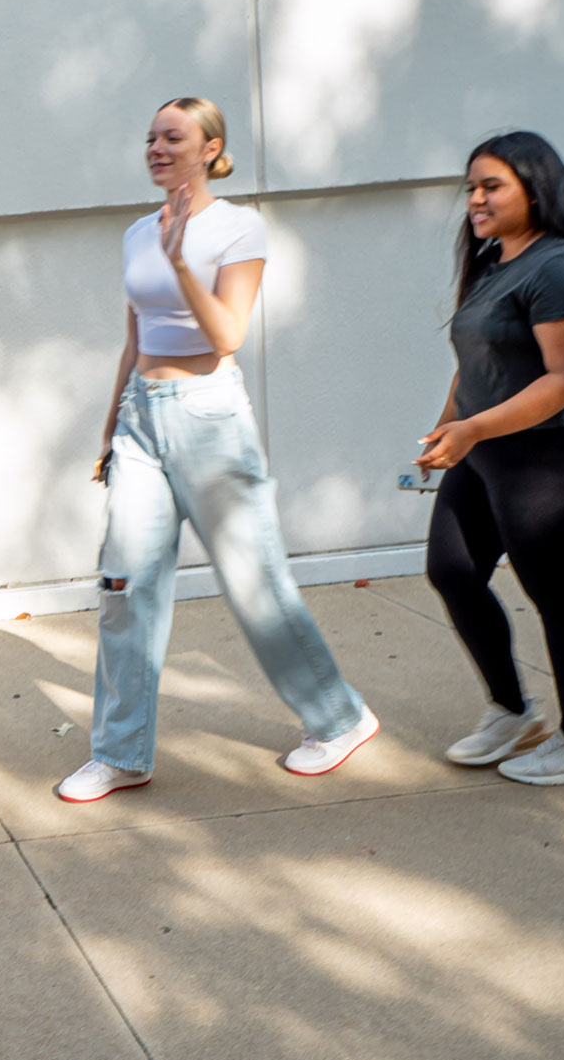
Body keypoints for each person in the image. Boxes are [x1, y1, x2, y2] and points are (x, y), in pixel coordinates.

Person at [56, 98, 378, 802]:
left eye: (172, 136)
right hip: (143, 415)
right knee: (124, 585)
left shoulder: (238, 227)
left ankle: (340, 717)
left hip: (208, 414)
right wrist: (112, 429)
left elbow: (227, 333)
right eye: (149, 137)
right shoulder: (138, 232)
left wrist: (179, 264)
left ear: (211, 148)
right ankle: (120, 752)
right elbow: (136, 337)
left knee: (252, 581)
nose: (156, 147)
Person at [418, 131, 564, 786]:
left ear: (537, 189)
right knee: (451, 571)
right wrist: (448, 427)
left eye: (491, 186)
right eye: (471, 186)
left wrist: (473, 428)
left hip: (551, 463)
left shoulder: (559, 267)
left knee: (559, 601)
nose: (475, 199)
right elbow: (477, 362)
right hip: (485, 454)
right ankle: (513, 712)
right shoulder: (495, 262)